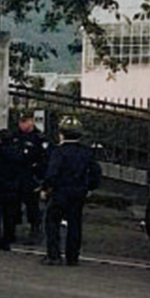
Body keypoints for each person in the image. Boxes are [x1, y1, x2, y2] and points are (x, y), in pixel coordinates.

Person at [41, 114, 102, 266]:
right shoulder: (86, 152)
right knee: (75, 223)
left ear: (61, 133)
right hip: (78, 192)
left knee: (52, 221)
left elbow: (52, 173)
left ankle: (54, 255)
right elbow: (95, 171)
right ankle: (72, 256)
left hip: (60, 191)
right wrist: (90, 187)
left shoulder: (58, 151)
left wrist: (45, 187)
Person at [14, 110, 49, 242]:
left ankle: (35, 230)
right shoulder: (15, 136)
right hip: (17, 175)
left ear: (32, 121)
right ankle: (13, 229)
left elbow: (44, 159)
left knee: (32, 205)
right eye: (21, 121)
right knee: (14, 204)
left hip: (31, 176)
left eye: (25, 121)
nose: (23, 125)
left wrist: (40, 177)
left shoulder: (39, 138)